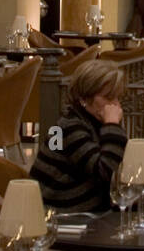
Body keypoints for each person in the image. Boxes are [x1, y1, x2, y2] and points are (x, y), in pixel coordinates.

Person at [31, 57, 128, 210]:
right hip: (63, 213)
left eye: (117, 97)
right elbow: (107, 173)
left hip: (88, 208)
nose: (115, 104)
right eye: (108, 97)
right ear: (84, 98)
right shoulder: (68, 126)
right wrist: (112, 125)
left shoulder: (92, 121)